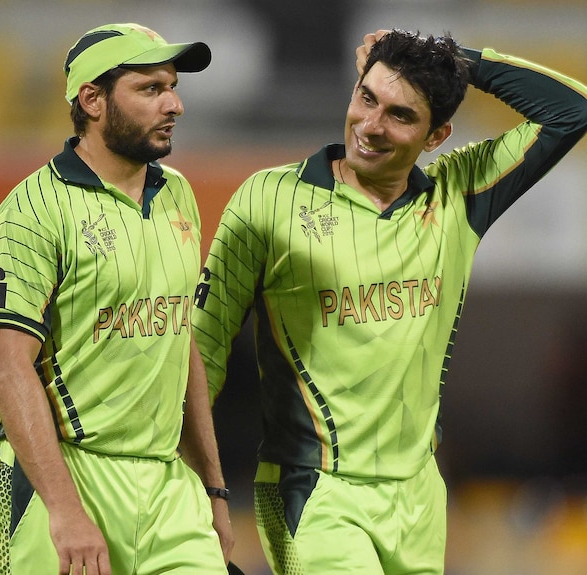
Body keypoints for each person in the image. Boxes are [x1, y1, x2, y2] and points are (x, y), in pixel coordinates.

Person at [193, 29, 587, 575]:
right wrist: (195, 485)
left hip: (420, 497)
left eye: (401, 115)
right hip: (313, 491)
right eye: (366, 98)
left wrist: (458, 62)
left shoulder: (458, 196)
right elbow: (201, 348)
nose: (371, 125)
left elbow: (571, 110)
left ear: (436, 135)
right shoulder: (269, 199)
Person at [0, 22, 234, 575]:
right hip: (69, 478)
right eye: (150, 89)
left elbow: (179, 341)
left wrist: (213, 489)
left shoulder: (179, 194)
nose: (174, 105)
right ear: (91, 100)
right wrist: (65, 511)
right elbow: (6, 368)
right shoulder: (34, 208)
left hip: (168, 487)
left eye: (173, 87)